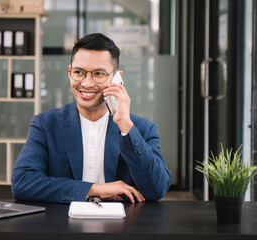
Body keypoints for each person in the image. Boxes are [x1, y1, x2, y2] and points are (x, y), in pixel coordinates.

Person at [11, 33, 171, 203]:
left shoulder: (141, 129)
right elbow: (22, 183)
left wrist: (125, 125)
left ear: (117, 78)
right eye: (79, 72)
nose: (86, 83)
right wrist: (93, 189)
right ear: (70, 72)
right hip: (62, 225)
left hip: (123, 225)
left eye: (99, 74)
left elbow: (157, 189)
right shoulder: (45, 124)